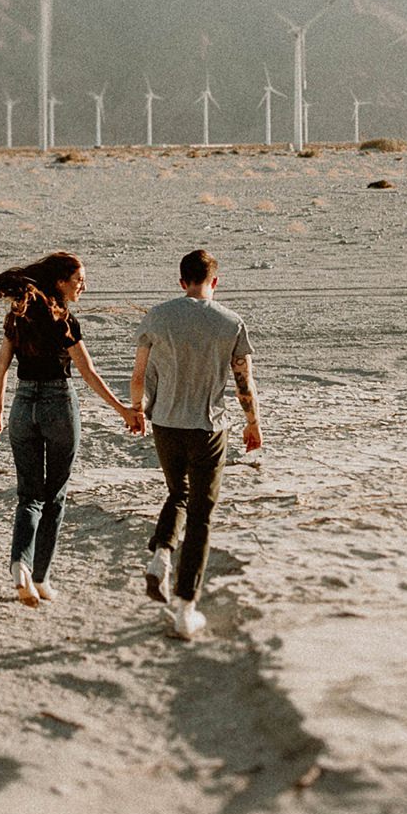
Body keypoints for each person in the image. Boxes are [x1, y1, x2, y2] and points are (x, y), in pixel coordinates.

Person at [0, 251, 141, 609]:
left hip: (23, 406)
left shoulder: (17, 317)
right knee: (56, 496)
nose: (84, 285)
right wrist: (123, 411)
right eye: (79, 279)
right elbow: (88, 372)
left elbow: (2, 365)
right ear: (60, 282)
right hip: (58, 405)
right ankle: (40, 577)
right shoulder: (63, 319)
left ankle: (19, 562)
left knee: (29, 496)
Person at [127, 248, 260, 641]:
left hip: (166, 423)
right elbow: (243, 384)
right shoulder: (231, 323)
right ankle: (186, 606)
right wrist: (253, 423)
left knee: (177, 493)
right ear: (214, 282)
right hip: (208, 426)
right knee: (201, 514)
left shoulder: (157, 316)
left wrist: (138, 410)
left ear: (181, 281)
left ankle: (162, 553)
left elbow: (138, 375)